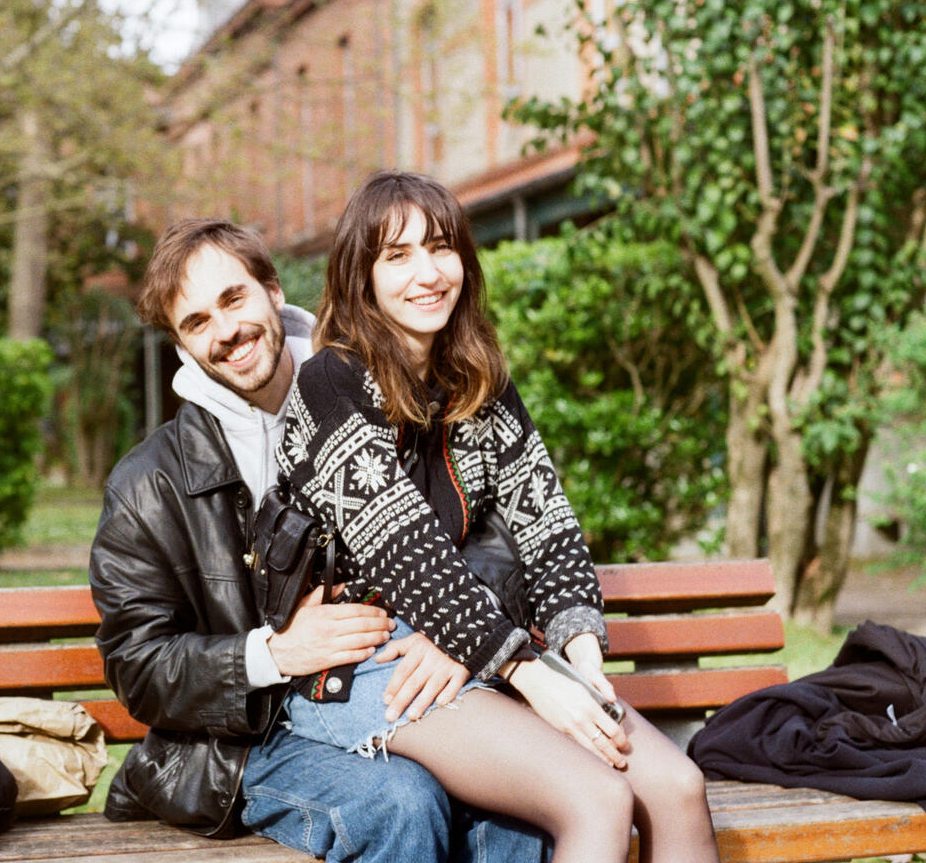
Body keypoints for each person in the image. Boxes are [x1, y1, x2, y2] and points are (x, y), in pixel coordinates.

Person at [274, 170, 719, 863]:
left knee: (677, 786)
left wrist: (582, 663)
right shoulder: (330, 383)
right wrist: (527, 671)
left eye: (441, 248)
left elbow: (548, 528)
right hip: (367, 662)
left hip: (473, 640)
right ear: (360, 278)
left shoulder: (479, 381)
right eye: (397, 256)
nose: (428, 273)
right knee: (595, 797)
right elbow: (407, 553)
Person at [88, 217, 549, 863]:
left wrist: (463, 630)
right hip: (252, 740)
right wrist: (272, 653)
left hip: (399, 687)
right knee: (400, 803)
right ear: (180, 345)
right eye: (196, 323)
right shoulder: (147, 484)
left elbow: (499, 532)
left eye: (233, 299)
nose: (226, 332)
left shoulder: (385, 392)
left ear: (273, 290)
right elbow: (138, 667)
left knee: (512, 807)